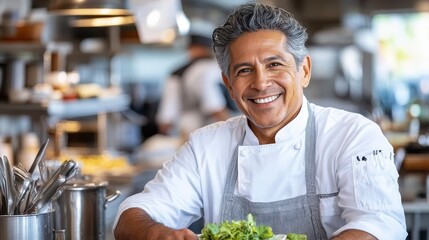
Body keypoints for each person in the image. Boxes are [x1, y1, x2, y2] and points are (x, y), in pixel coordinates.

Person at [114, 3, 407, 240]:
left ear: (304, 70)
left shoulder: (352, 135)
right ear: (228, 85)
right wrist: (154, 232)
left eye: (274, 64)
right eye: (244, 70)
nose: (261, 82)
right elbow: (133, 214)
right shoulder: (206, 145)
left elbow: (379, 225)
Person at [155, 29, 232, 138]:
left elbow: (166, 116)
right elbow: (214, 106)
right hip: (212, 132)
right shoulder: (209, 69)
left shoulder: (177, 73)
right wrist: (234, 132)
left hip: (186, 133)